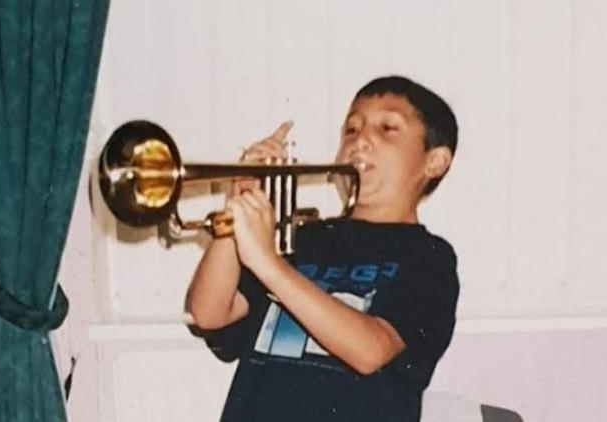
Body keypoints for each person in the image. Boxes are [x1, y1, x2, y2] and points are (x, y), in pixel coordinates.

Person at [185, 75, 459, 421]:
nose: (360, 141)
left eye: (387, 128)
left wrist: (268, 263)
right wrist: (239, 202)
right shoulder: (304, 237)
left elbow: (370, 350)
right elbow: (208, 313)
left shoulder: (429, 258)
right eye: (351, 131)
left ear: (434, 162)